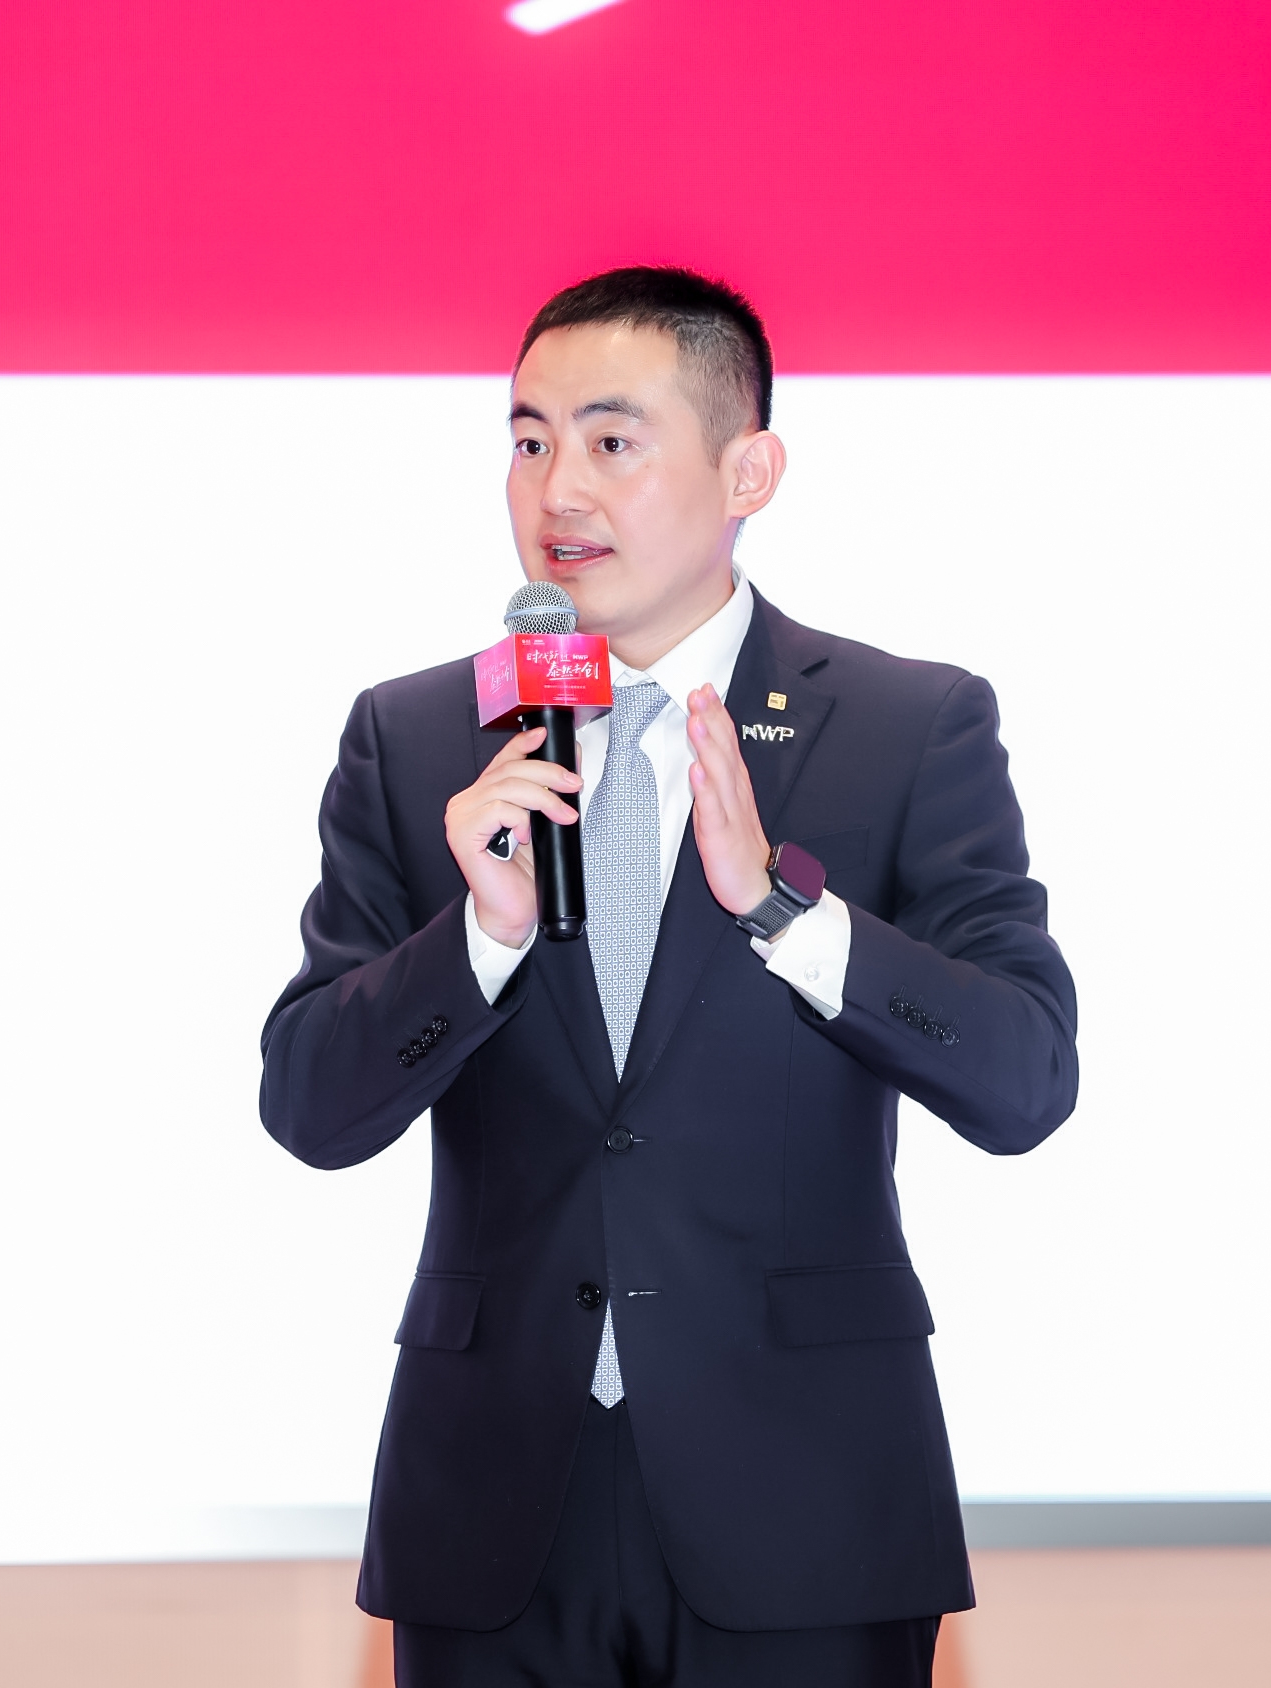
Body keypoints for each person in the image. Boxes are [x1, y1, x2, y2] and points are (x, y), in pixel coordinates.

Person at [261, 266, 1079, 1688]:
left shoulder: (907, 725)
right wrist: (480, 942)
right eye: (529, 440)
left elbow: (1024, 1079)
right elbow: (310, 1106)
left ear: (747, 471)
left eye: (612, 439)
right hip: (496, 1506)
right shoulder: (418, 739)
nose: (557, 488)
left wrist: (783, 910)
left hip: (807, 1494)